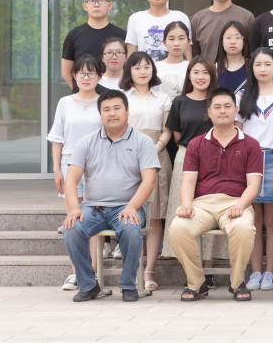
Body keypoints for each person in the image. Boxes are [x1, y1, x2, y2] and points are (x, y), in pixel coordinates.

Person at [61, 90, 159, 302]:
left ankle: (128, 285)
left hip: (127, 207)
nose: (112, 113)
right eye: (106, 109)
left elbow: (149, 180)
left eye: (117, 108)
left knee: (130, 229)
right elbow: (71, 179)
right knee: (71, 229)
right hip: (93, 208)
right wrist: (75, 209)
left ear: (127, 111)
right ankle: (88, 284)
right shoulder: (86, 142)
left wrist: (132, 207)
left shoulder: (143, 142)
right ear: (100, 114)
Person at [168, 87, 262, 302]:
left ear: (236, 110)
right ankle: (196, 283)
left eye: (227, 106)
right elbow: (188, 181)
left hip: (236, 202)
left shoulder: (251, 144)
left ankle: (237, 282)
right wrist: (186, 203)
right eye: (217, 107)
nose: (222, 111)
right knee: (178, 228)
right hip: (202, 204)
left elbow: (253, 185)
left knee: (243, 228)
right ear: (208, 112)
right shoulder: (196, 144)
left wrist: (241, 204)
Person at [48, 54, 108, 291]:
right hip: (69, 163)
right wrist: (56, 170)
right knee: (74, 219)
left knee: (92, 219)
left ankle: (91, 271)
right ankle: (76, 272)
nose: (86, 77)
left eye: (91, 73)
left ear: (99, 76)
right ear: (74, 76)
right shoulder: (65, 103)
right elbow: (57, 138)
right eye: (81, 73)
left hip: (97, 165)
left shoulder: (104, 102)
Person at [237, 48, 273, 292]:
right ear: (251, 68)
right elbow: (237, 132)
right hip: (248, 160)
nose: (262, 69)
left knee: (272, 221)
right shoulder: (241, 95)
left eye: (267, 64)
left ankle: (270, 272)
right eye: (257, 64)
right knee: (252, 220)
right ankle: (255, 271)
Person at [119, 51, 172, 292]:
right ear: (129, 71)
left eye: (147, 66)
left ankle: (149, 270)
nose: (143, 71)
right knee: (128, 214)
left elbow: (167, 130)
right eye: (137, 67)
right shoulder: (122, 97)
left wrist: (156, 147)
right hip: (126, 157)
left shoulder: (163, 98)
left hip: (157, 155)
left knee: (154, 217)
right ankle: (130, 270)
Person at [162, 58, 217, 260]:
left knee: (211, 207)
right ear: (189, 75)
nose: (201, 77)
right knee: (183, 206)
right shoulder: (179, 102)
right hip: (185, 156)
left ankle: (209, 259)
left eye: (205, 72)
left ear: (212, 76)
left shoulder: (217, 100)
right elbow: (176, 135)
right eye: (196, 72)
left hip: (215, 157)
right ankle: (185, 258)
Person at [61, 0, 125, 88]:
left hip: (115, 95)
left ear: (110, 5)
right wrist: (80, 93)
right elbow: (66, 73)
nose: (96, 4)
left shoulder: (122, 35)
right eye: (92, 0)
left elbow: (129, 68)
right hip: (84, 95)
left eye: (101, 0)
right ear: (85, 6)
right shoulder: (74, 35)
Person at [189, 0, 254, 58]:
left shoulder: (246, 17)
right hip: (207, 67)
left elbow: (252, 52)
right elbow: (194, 54)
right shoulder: (198, 19)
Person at [125, 0, 191, 62]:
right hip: (145, 69)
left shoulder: (181, 17)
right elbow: (131, 54)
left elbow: (188, 55)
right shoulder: (135, 18)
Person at [155, 21, 190, 100]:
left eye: (181, 38)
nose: (176, 43)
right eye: (171, 39)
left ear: (188, 41)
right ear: (164, 42)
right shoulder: (155, 67)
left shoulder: (192, 68)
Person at [215, 20, 250, 93]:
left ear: (244, 41)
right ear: (222, 41)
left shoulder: (252, 66)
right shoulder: (214, 68)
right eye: (228, 37)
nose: (233, 42)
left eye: (237, 37)